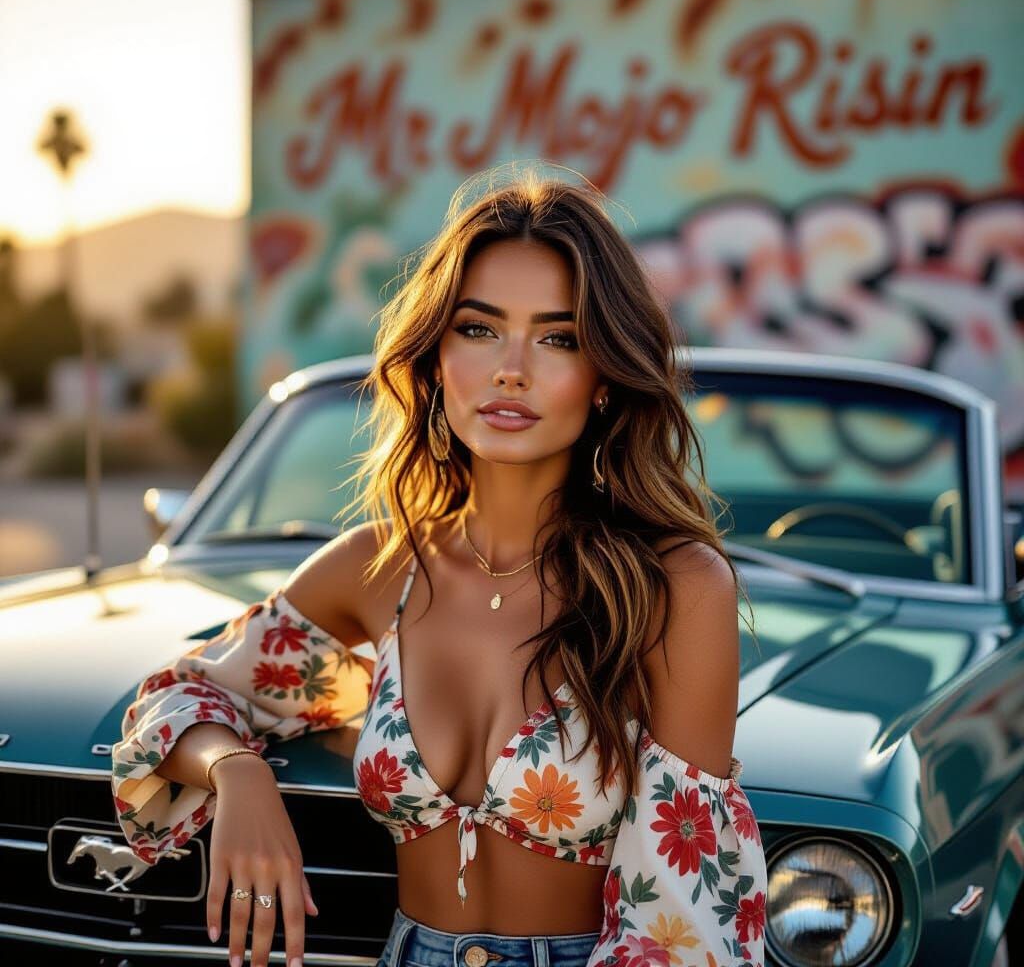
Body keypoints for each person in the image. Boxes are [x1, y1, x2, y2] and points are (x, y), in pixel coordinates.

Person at [111, 169, 767, 967]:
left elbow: (688, 907)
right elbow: (183, 696)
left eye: (558, 338)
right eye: (479, 329)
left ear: (603, 379)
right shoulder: (378, 569)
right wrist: (238, 772)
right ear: (435, 357)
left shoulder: (674, 587)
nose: (511, 369)